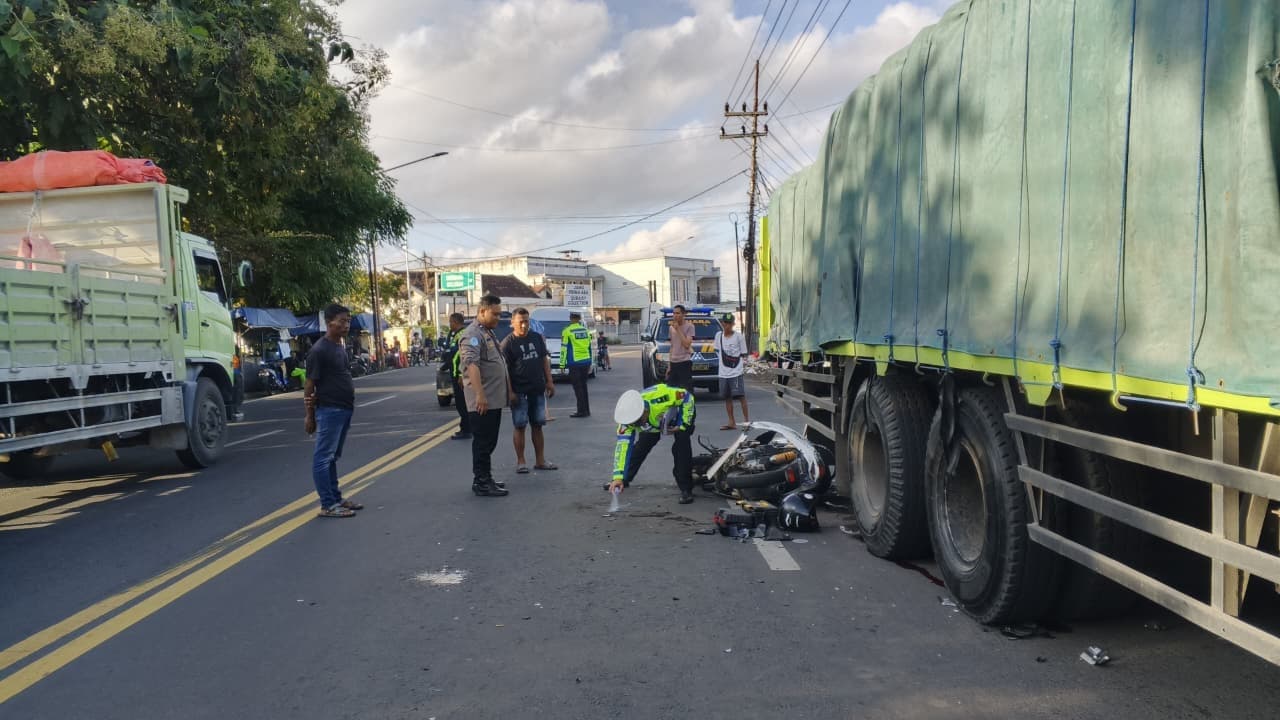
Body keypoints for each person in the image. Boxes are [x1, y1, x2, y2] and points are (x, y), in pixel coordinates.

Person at [303, 304, 364, 518]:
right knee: (323, 457)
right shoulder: (319, 350)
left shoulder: (340, 346)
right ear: (330, 323)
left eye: (348, 321)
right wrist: (309, 415)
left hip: (344, 409)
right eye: (342, 321)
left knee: (332, 457)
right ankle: (327, 504)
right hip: (329, 410)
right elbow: (310, 386)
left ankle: (336, 498)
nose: (346, 325)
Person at [609, 383, 697, 504]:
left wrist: (683, 424)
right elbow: (622, 448)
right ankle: (624, 479)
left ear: (644, 411)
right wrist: (617, 477)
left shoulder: (660, 397)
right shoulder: (627, 421)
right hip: (654, 424)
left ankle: (686, 488)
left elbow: (687, 397)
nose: (635, 426)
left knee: (681, 446)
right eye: (633, 424)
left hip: (679, 415)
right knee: (642, 446)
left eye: (638, 422)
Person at [459, 295, 510, 497]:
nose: (498, 318)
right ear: (482, 311)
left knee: (490, 441)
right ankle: (481, 481)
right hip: (482, 400)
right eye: (495, 314)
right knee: (483, 442)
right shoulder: (472, 335)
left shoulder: (486, 333)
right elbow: (471, 364)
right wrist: (479, 394)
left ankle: (485, 477)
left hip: (492, 399)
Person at [499, 308, 557, 474]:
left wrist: (550, 382)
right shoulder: (508, 343)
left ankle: (540, 461)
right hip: (519, 392)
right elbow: (505, 371)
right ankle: (521, 462)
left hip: (537, 390)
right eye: (520, 322)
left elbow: (543, 360)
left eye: (526, 321)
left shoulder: (536, 338)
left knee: (538, 425)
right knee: (520, 426)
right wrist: (510, 392)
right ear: (513, 323)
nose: (524, 325)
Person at [714, 313, 750, 430]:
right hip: (723, 373)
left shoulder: (739, 337)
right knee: (727, 398)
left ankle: (746, 421)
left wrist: (741, 366)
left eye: (730, 323)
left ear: (733, 324)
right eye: (725, 323)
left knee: (741, 397)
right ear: (722, 323)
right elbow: (717, 351)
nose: (727, 326)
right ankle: (731, 422)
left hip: (736, 372)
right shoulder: (718, 336)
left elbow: (743, 353)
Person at [442, 313, 471, 440]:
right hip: (454, 372)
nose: (449, 325)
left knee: (462, 403)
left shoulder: (462, 335)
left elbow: (462, 356)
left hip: (460, 375)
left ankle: (467, 430)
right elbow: (451, 353)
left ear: (455, 322)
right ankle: (464, 428)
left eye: (450, 322)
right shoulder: (455, 335)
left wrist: (460, 374)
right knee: (460, 403)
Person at [559, 311, 592, 418]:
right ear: (579, 319)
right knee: (584, 386)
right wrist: (590, 361)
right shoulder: (586, 331)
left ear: (571, 319)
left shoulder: (567, 331)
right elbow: (589, 347)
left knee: (578, 388)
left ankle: (581, 411)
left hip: (575, 363)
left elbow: (563, 348)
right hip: (586, 361)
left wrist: (562, 364)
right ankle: (586, 410)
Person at [665, 304, 695, 389]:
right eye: (674, 313)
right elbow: (672, 346)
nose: (675, 315)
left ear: (683, 314)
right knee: (671, 389)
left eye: (678, 313)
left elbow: (686, 345)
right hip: (674, 362)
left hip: (684, 362)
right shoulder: (671, 328)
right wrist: (669, 366)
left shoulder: (690, 326)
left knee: (686, 390)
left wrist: (678, 329)